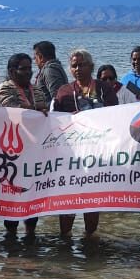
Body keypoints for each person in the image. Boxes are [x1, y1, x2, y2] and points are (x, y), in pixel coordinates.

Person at [53, 49, 119, 238]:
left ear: (91, 66)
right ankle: (65, 239)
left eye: (82, 65)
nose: (78, 69)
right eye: (74, 65)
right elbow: (54, 120)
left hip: (97, 154)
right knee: (68, 198)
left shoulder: (104, 89)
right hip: (71, 155)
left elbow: (116, 115)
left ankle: (90, 238)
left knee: (92, 198)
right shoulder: (64, 91)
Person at [0, 52, 49, 240]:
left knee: (33, 194)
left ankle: (30, 237)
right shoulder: (4, 89)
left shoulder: (37, 90)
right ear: (11, 71)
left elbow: (44, 111)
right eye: (23, 69)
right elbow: (12, 109)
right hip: (11, 154)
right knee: (12, 196)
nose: (28, 72)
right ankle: (10, 240)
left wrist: (38, 111)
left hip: (34, 152)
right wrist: (36, 110)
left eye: (29, 68)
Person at [32, 40, 68, 105]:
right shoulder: (55, 67)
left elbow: (57, 98)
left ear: (41, 57)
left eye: (35, 58)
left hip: (52, 110)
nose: (35, 61)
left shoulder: (50, 70)